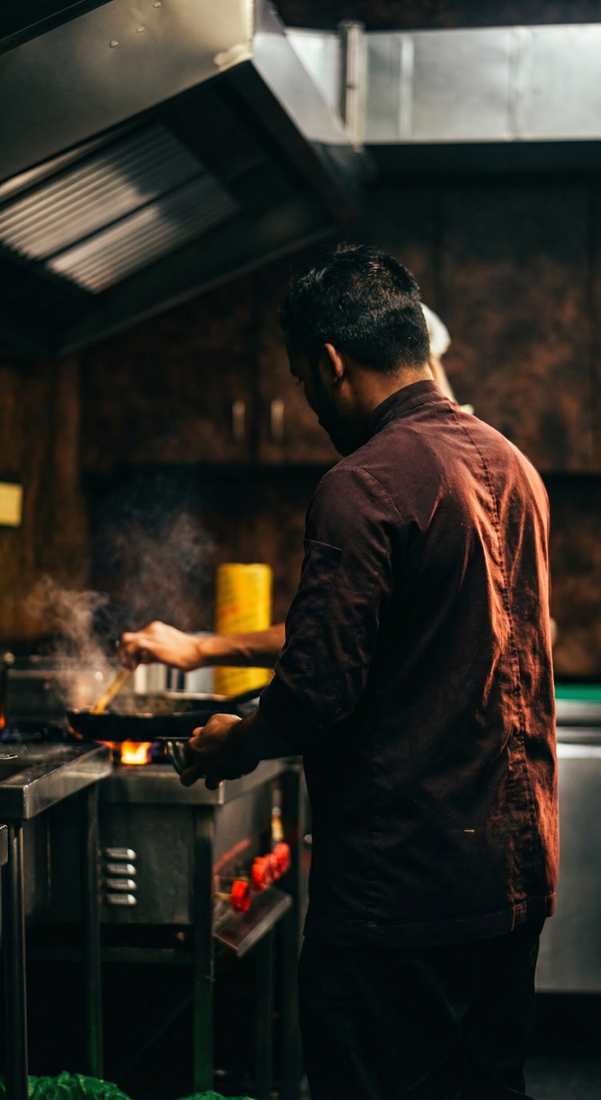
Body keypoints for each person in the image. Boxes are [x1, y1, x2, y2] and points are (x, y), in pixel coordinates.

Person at [120, 244, 558, 1100]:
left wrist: (233, 743)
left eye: (303, 380)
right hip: (512, 877)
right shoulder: (514, 466)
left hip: (400, 896)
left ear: (330, 362)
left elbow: (320, 687)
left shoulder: (363, 483)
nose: (311, 404)